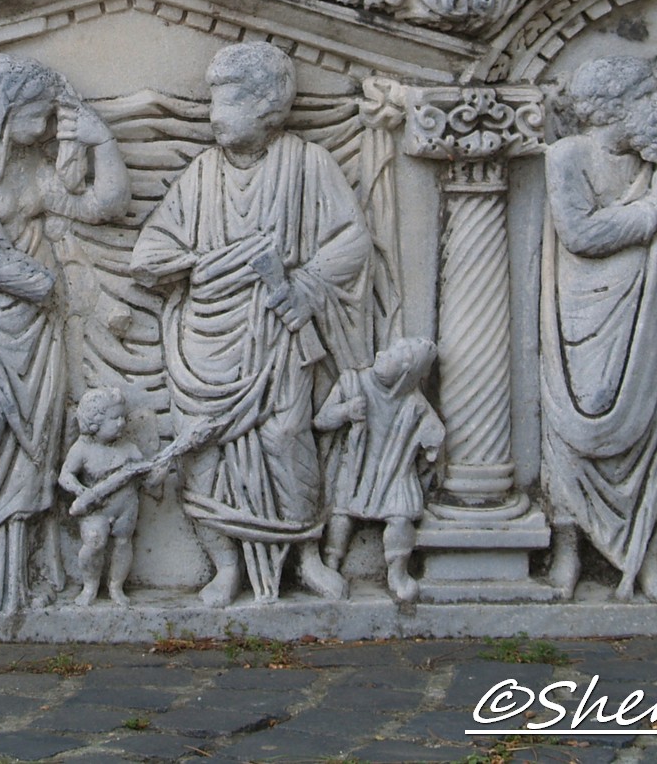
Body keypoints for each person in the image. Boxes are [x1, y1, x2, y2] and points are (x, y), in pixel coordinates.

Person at [130, 41, 374, 606]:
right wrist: (189, 263)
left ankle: (304, 556)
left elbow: (350, 240)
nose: (216, 114)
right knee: (205, 451)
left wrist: (303, 286)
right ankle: (224, 566)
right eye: (212, 101)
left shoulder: (307, 164)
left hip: (277, 336)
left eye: (230, 99)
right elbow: (151, 249)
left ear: (270, 105)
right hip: (204, 342)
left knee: (289, 439)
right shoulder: (202, 173)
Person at [0, 54, 130, 614]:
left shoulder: (28, 166)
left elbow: (106, 206)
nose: (46, 126)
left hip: (33, 337)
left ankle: (20, 569)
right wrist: (46, 284)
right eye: (37, 114)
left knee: (32, 449)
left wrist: (99, 141)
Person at [540, 56, 657, 604]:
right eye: (644, 95)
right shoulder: (568, 155)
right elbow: (579, 232)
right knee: (575, 422)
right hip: (584, 312)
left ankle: (648, 557)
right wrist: (656, 209)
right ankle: (568, 549)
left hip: (653, 309)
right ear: (610, 107)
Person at [316, 335, 445, 603]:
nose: (382, 354)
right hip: (355, 469)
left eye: (395, 354)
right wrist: (345, 411)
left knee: (401, 516)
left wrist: (433, 441)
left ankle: (397, 573)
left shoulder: (415, 405)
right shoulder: (352, 383)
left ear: (407, 373)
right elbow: (321, 420)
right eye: (388, 349)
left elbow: (434, 437)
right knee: (341, 514)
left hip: (395, 473)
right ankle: (331, 563)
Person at [57, 387, 148, 606]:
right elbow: (65, 475)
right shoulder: (82, 449)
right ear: (94, 422)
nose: (121, 423)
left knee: (123, 543)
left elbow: (148, 477)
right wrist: (82, 491)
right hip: (96, 508)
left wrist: (158, 471)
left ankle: (116, 586)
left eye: (123, 417)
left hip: (125, 507)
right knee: (94, 543)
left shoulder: (129, 448)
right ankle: (90, 586)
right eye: (114, 418)